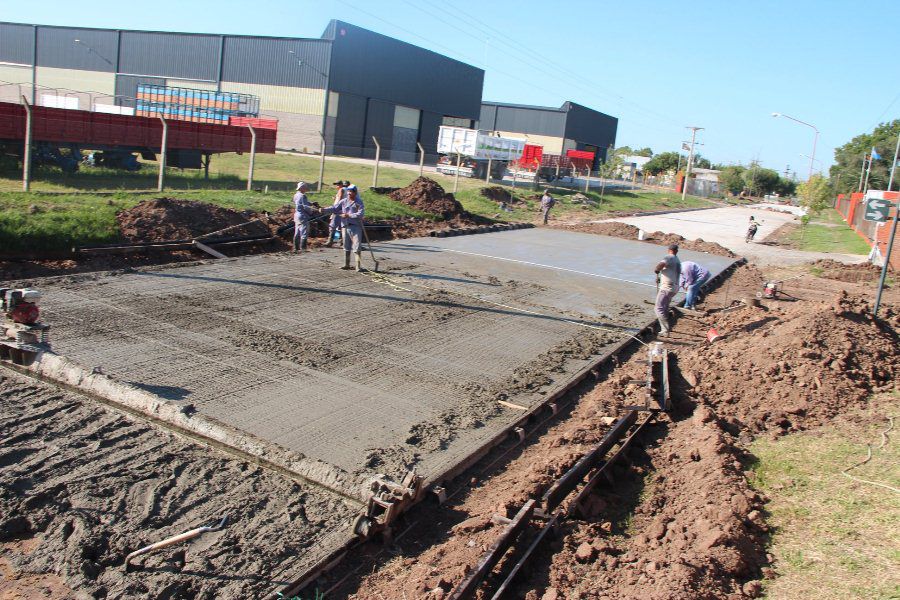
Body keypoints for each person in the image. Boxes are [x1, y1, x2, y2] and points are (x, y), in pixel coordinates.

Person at [325, 184, 365, 271]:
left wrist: (348, 215)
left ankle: (358, 266)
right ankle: (346, 264)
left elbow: (360, 214)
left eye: (351, 191)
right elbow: (334, 208)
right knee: (346, 246)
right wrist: (324, 209)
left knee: (357, 246)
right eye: (348, 191)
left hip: (356, 226)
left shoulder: (359, 202)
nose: (349, 193)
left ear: (355, 192)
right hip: (345, 226)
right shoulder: (344, 201)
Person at [653, 244, 682, 337]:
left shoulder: (669, 257)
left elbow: (661, 265)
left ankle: (665, 330)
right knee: (664, 307)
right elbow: (670, 272)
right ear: (677, 251)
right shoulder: (677, 260)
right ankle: (665, 329)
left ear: (669, 250)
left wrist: (657, 270)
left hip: (667, 288)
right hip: (674, 288)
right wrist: (661, 278)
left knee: (658, 308)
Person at [292, 181, 319, 252]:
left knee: (297, 231)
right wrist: (311, 212)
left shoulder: (296, 195)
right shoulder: (303, 196)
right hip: (303, 215)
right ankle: (303, 248)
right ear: (302, 188)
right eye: (305, 188)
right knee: (304, 231)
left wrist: (311, 203)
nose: (306, 189)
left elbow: (299, 203)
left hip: (296, 215)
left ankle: (296, 248)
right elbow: (305, 207)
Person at [325, 180, 348, 247]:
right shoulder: (346, 190)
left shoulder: (341, 190)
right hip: (343, 210)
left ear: (341, 185)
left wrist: (333, 208)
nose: (336, 186)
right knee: (341, 226)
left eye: (337, 185)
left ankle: (330, 241)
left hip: (338, 210)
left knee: (332, 226)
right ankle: (342, 242)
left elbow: (340, 200)